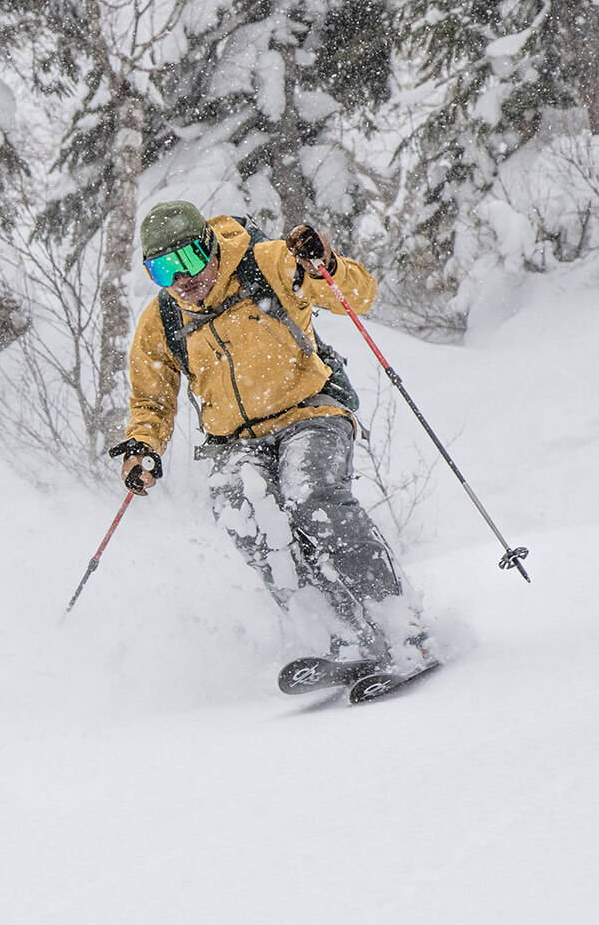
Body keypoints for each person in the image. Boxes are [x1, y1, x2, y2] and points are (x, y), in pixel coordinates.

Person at [110, 200, 425, 668]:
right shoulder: (163, 319)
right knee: (244, 512)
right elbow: (151, 399)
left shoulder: (268, 263)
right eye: (163, 270)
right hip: (236, 441)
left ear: (210, 245)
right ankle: (339, 635)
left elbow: (357, 295)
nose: (182, 279)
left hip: (309, 411)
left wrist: (323, 264)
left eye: (189, 261)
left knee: (311, 494)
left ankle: (401, 623)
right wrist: (143, 446)